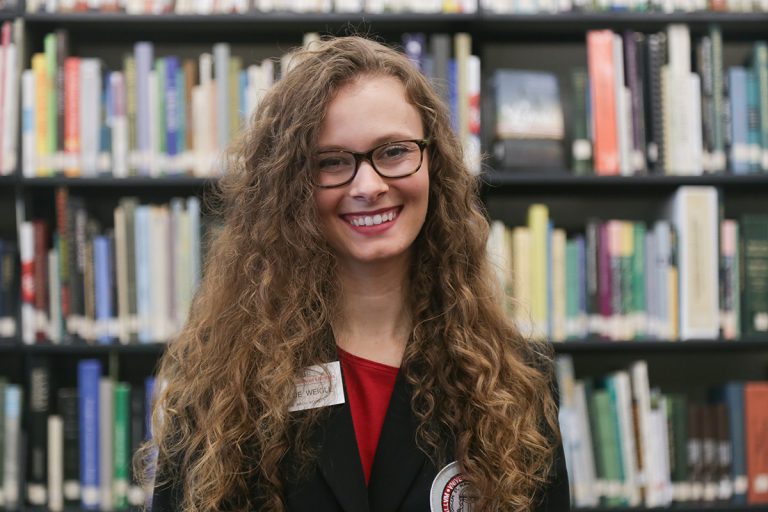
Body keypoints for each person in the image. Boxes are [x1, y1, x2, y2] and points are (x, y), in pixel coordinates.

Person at [146, 35, 570, 512]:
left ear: (434, 162)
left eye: (393, 151)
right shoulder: (220, 381)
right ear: (292, 187)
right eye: (332, 162)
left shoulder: (515, 379)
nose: (368, 186)